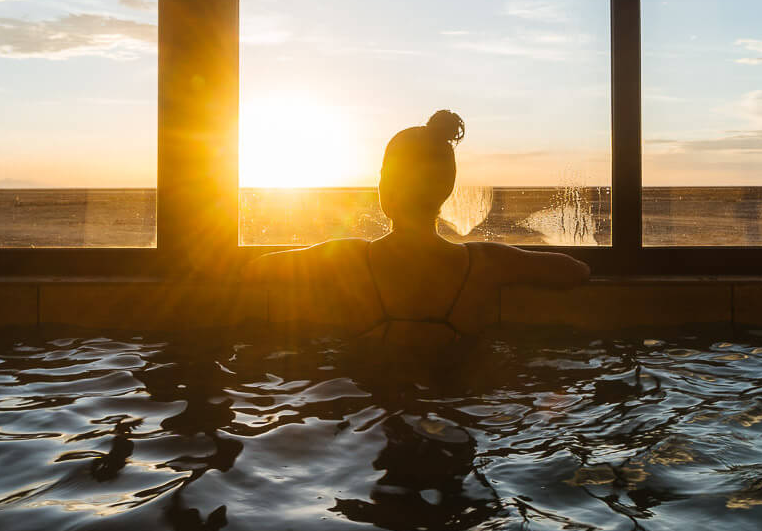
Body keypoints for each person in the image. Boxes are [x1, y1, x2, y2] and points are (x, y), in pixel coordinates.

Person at [244, 110, 589, 355]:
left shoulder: (349, 259)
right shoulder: (484, 263)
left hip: (373, 418)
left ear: (384, 187)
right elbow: (575, 271)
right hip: (455, 408)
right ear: (446, 190)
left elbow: (258, 269)